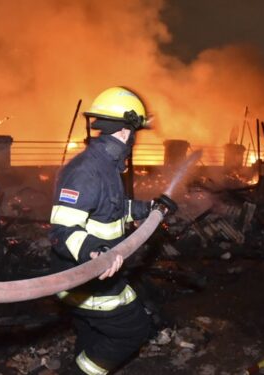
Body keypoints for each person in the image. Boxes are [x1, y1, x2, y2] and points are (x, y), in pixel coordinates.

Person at [48, 86, 177, 374]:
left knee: (92, 332)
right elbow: (61, 232)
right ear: (125, 131)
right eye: (135, 133)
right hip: (86, 279)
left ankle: (84, 363)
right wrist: (95, 251)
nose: (135, 140)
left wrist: (150, 208)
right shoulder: (86, 172)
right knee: (133, 330)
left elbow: (113, 209)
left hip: (99, 276)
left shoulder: (106, 166)